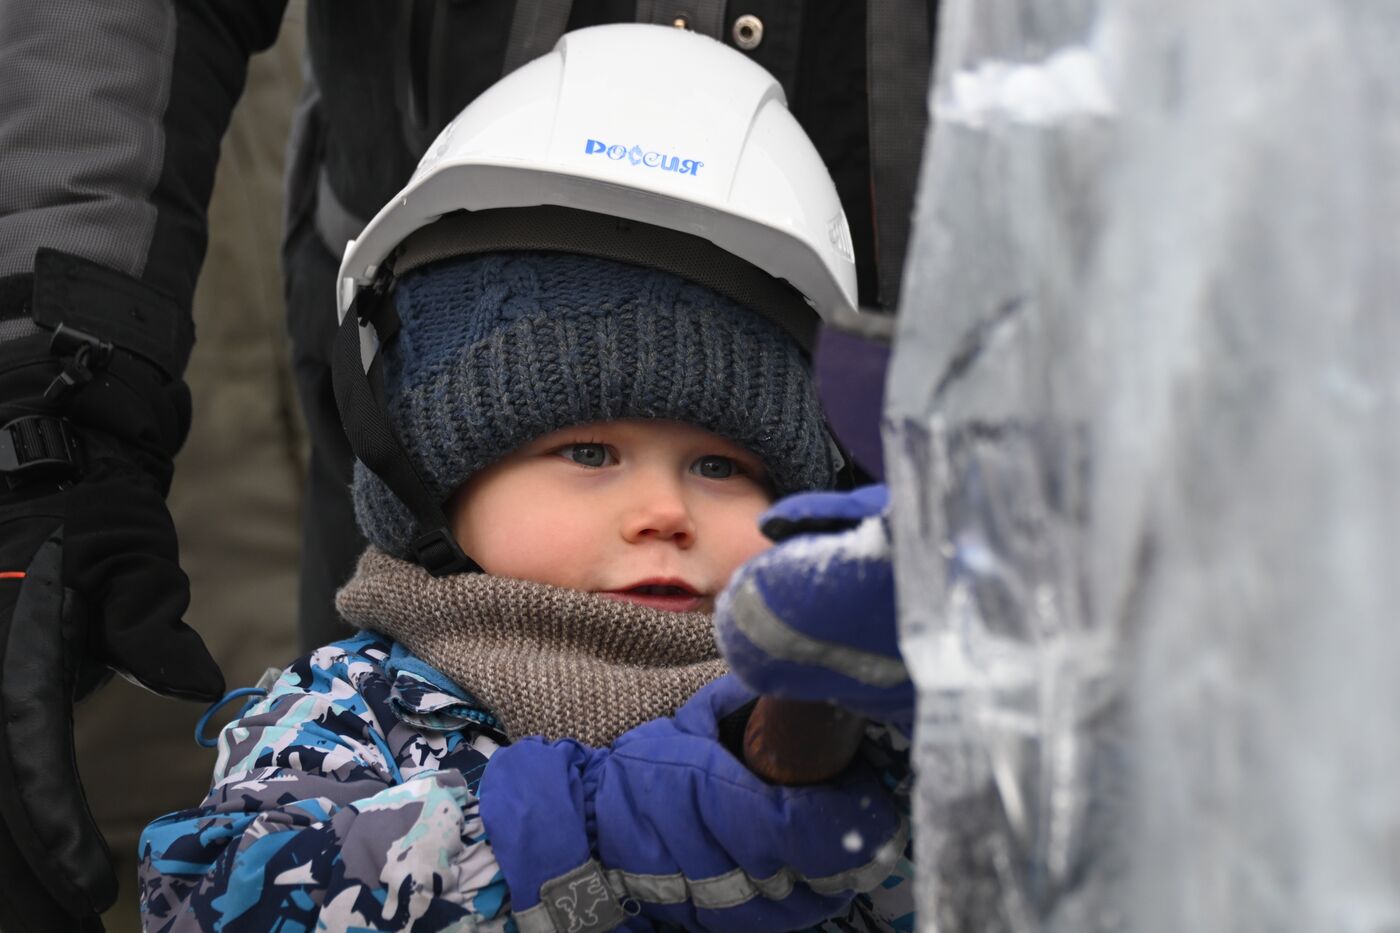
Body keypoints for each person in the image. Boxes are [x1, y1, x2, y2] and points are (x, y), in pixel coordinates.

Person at [0, 2, 932, 928]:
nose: (664, 509)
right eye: (590, 451)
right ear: (439, 478)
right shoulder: (354, 715)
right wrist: (592, 830)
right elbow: (234, 899)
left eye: (722, 466)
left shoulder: (869, 718)